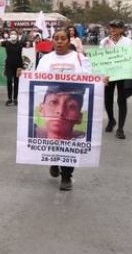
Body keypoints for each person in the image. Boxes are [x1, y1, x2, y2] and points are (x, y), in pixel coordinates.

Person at [35, 28, 92, 191]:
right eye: (56, 38)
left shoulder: (79, 58)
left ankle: (66, 176)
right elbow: (35, 80)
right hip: (52, 101)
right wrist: (22, 75)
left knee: (67, 142)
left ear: (69, 40)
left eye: (63, 38)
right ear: (52, 41)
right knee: (54, 138)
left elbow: (90, 78)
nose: (59, 41)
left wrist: (102, 81)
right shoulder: (45, 59)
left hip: (71, 103)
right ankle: (53, 161)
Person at [99, 19, 132, 140]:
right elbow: (100, 58)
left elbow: (127, 57)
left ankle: (120, 128)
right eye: (111, 27)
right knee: (108, 99)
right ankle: (111, 120)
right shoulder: (104, 41)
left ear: (122, 29)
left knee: (121, 100)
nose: (113, 29)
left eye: (116, 27)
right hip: (108, 74)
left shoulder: (128, 41)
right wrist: (103, 74)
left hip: (123, 74)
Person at [0, 29, 24, 106]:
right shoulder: (6, 43)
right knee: (9, 80)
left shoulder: (20, 43)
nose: (13, 35)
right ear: (9, 35)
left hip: (18, 65)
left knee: (16, 82)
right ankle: (9, 98)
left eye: (14, 33)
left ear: (17, 35)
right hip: (9, 65)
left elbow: (29, 46)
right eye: (11, 33)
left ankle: (15, 98)